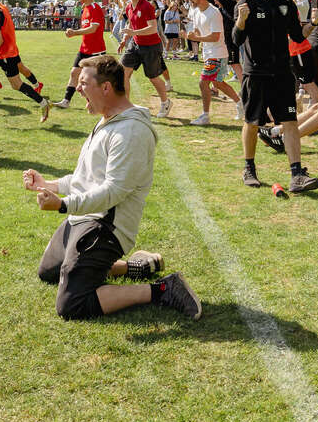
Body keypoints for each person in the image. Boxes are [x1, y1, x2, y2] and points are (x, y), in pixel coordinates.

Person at [25, 55, 201, 321]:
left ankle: (163, 288)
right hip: (85, 218)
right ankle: (136, 267)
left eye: (84, 83)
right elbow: (86, 178)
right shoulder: (108, 120)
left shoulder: (129, 132)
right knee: (49, 272)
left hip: (105, 228)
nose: (78, 88)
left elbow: (112, 193)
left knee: (72, 304)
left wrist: (62, 205)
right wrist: (48, 184)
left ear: (106, 87)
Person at [232, 0, 318, 192]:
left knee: (290, 121)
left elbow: (298, 36)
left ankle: (297, 174)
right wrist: (241, 21)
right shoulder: (247, 2)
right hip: (256, 73)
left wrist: (313, 23)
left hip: (281, 72)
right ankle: (249, 168)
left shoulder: (286, 4)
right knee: (252, 122)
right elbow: (236, 40)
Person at [183, 0, 240, 125]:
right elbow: (197, 31)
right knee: (218, 83)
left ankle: (205, 115)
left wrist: (197, 38)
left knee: (203, 83)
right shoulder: (196, 11)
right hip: (209, 53)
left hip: (217, 53)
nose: (190, 0)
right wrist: (191, 34)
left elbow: (215, 36)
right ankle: (241, 104)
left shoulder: (214, 13)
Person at [117, 0, 172, 117]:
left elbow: (153, 28)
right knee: (123, 73)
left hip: (151, 47)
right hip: (135, 44)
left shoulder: (147, 6)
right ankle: (126, 107)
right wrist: (125, 39)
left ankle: (166, 103)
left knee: (153, 77)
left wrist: (133, 33)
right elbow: (130, 23)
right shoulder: (129, 6)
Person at [54, 0, 106, 109]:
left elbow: (93, 29)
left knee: (93, 79)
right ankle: (66, 101)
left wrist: (75, 32)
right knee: (74, 73)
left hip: (95, 50)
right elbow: (86, 28)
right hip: (84, 48)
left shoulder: (95, 8)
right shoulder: (85, 8)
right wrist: (75, 31)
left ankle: (100, 101)